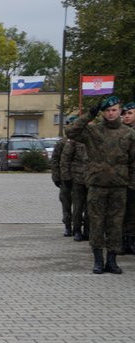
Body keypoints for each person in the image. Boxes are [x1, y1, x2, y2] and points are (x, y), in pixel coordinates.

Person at [66, 96, 135, 274]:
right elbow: (71, 132)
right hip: (97, 185)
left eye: (114, 110)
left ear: (120, 111)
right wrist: (90, 114)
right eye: (107, 110)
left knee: (116, 224)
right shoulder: (93, 131)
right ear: (103, 113)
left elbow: (133, 162)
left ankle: (112, 260)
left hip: (119, 186)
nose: (111, 113)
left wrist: (132, 186)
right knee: (96, 222)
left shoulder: (129, 134)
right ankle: (98, 260)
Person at [59, 116, 89, 242]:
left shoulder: (94, 139)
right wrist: (65, 178)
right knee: (77, 206)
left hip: (92, 178)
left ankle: (88, 230)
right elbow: (64, 160)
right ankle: (76, 229)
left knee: (91, 207)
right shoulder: (73, 141)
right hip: (77, 178)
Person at [50, 130, 73, 237]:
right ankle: (68, 226)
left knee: (82, 205)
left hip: (82, 178)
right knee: (66, 203)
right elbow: (55, 160)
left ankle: (82, 228)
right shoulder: (62, 143)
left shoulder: (85, 140)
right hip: (65, 178)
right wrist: (56, 177)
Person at [121, 102, 135, 254]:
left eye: (130, 113)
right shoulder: (121, 132)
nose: (126, 116)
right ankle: (124, 241)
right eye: (125, 113)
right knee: (123, 213)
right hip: (122, 180)